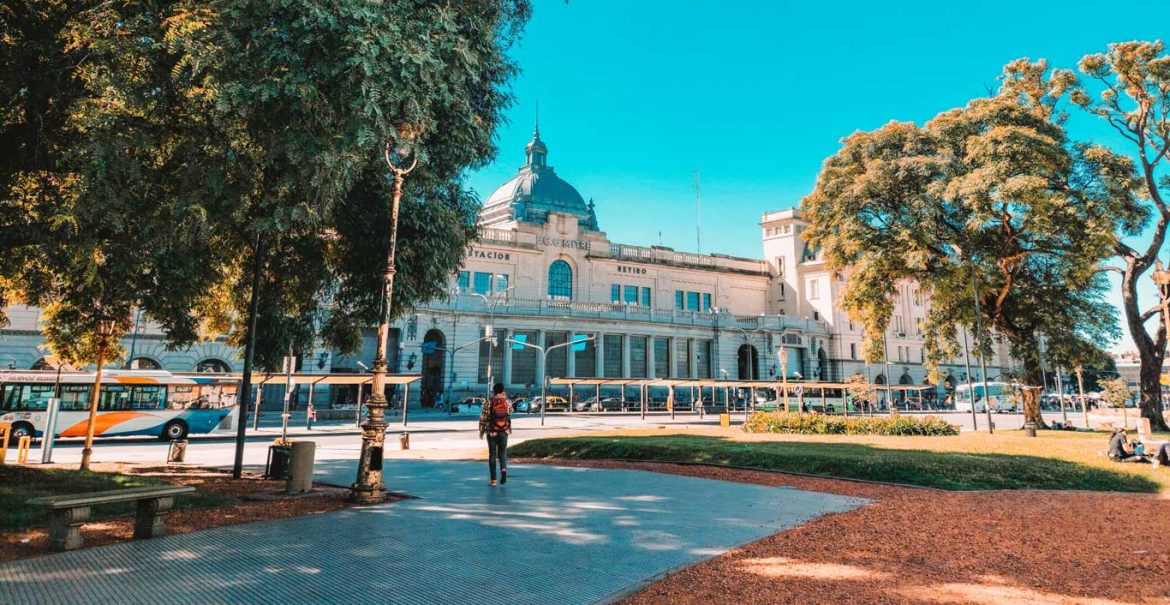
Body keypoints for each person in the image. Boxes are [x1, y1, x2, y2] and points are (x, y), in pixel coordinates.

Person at [479, 383, 512, 486]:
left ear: (493, 391)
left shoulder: (488, 403)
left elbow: (483, 418)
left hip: (492, 432)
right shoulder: (507, 402)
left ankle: (493, 480)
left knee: (492, 455)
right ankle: (503, 470)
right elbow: (510, 412)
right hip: (504, 431)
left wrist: (481, 431)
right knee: (502, 453)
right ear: (502, 390)